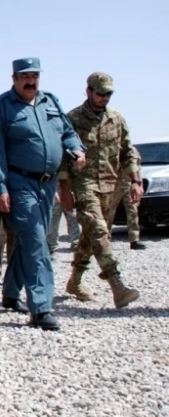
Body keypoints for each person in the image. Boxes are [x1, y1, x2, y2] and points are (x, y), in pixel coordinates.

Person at [0, 57, 86, 331]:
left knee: (29, 240)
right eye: (25, 76)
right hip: (20, 183)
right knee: (37, 241)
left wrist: (76, 150)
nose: (31, 81)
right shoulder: (2, 106)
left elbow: (67, 133)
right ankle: (41, 308)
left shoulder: (50, 101)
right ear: (14, 79)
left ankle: (9, 293)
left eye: (35, 76)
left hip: (47, 184)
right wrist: (0, 188)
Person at [61, 72, 141, 308]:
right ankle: (117, 285)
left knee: (91, 236)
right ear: (89, 91)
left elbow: (128, 152)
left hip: (111, 186)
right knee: (98, 231)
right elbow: (62, 158)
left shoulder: (117, 119)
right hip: (83, 184)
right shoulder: (73, 118)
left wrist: (136, 181)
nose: (104, 98)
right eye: (100, 93)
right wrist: (64, 189)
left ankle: (74, 282)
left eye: (108, 94)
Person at [112, 147, 146, 250]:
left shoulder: (133, 151)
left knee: (132, 212)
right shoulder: (113, 148)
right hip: (114, 185)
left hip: (130, 185)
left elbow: (138, 167)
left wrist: (140, 185)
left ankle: (134, 240)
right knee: (108, 212)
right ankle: (105, 240)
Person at [47, 187, 81, 253]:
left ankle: (76, 242)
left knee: (72, 218)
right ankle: (51, 244)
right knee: (53, 220)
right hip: (54, 188)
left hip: (69, 189)